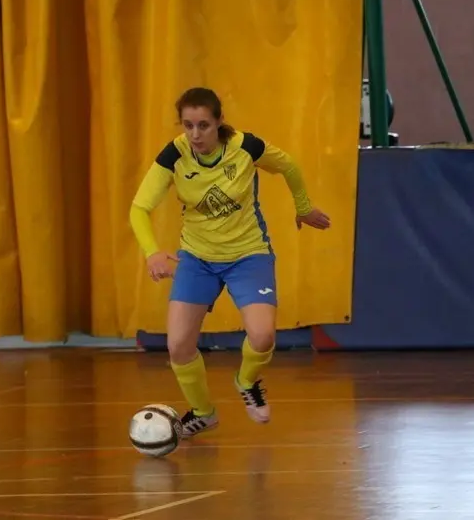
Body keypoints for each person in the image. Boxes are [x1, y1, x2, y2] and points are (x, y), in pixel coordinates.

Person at [129, 87, 330, 437]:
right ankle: (203, 412)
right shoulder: (174, 156)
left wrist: (303, 206)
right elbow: (139, 208)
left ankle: (247, 381)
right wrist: (152, 252)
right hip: (197, 258)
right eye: (188, 125)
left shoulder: (245, 147)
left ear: (219, 121)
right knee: (178, 345)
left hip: (248, 254)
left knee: (263, 336)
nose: (195, 135)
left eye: (203, 125)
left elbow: (288, 166)